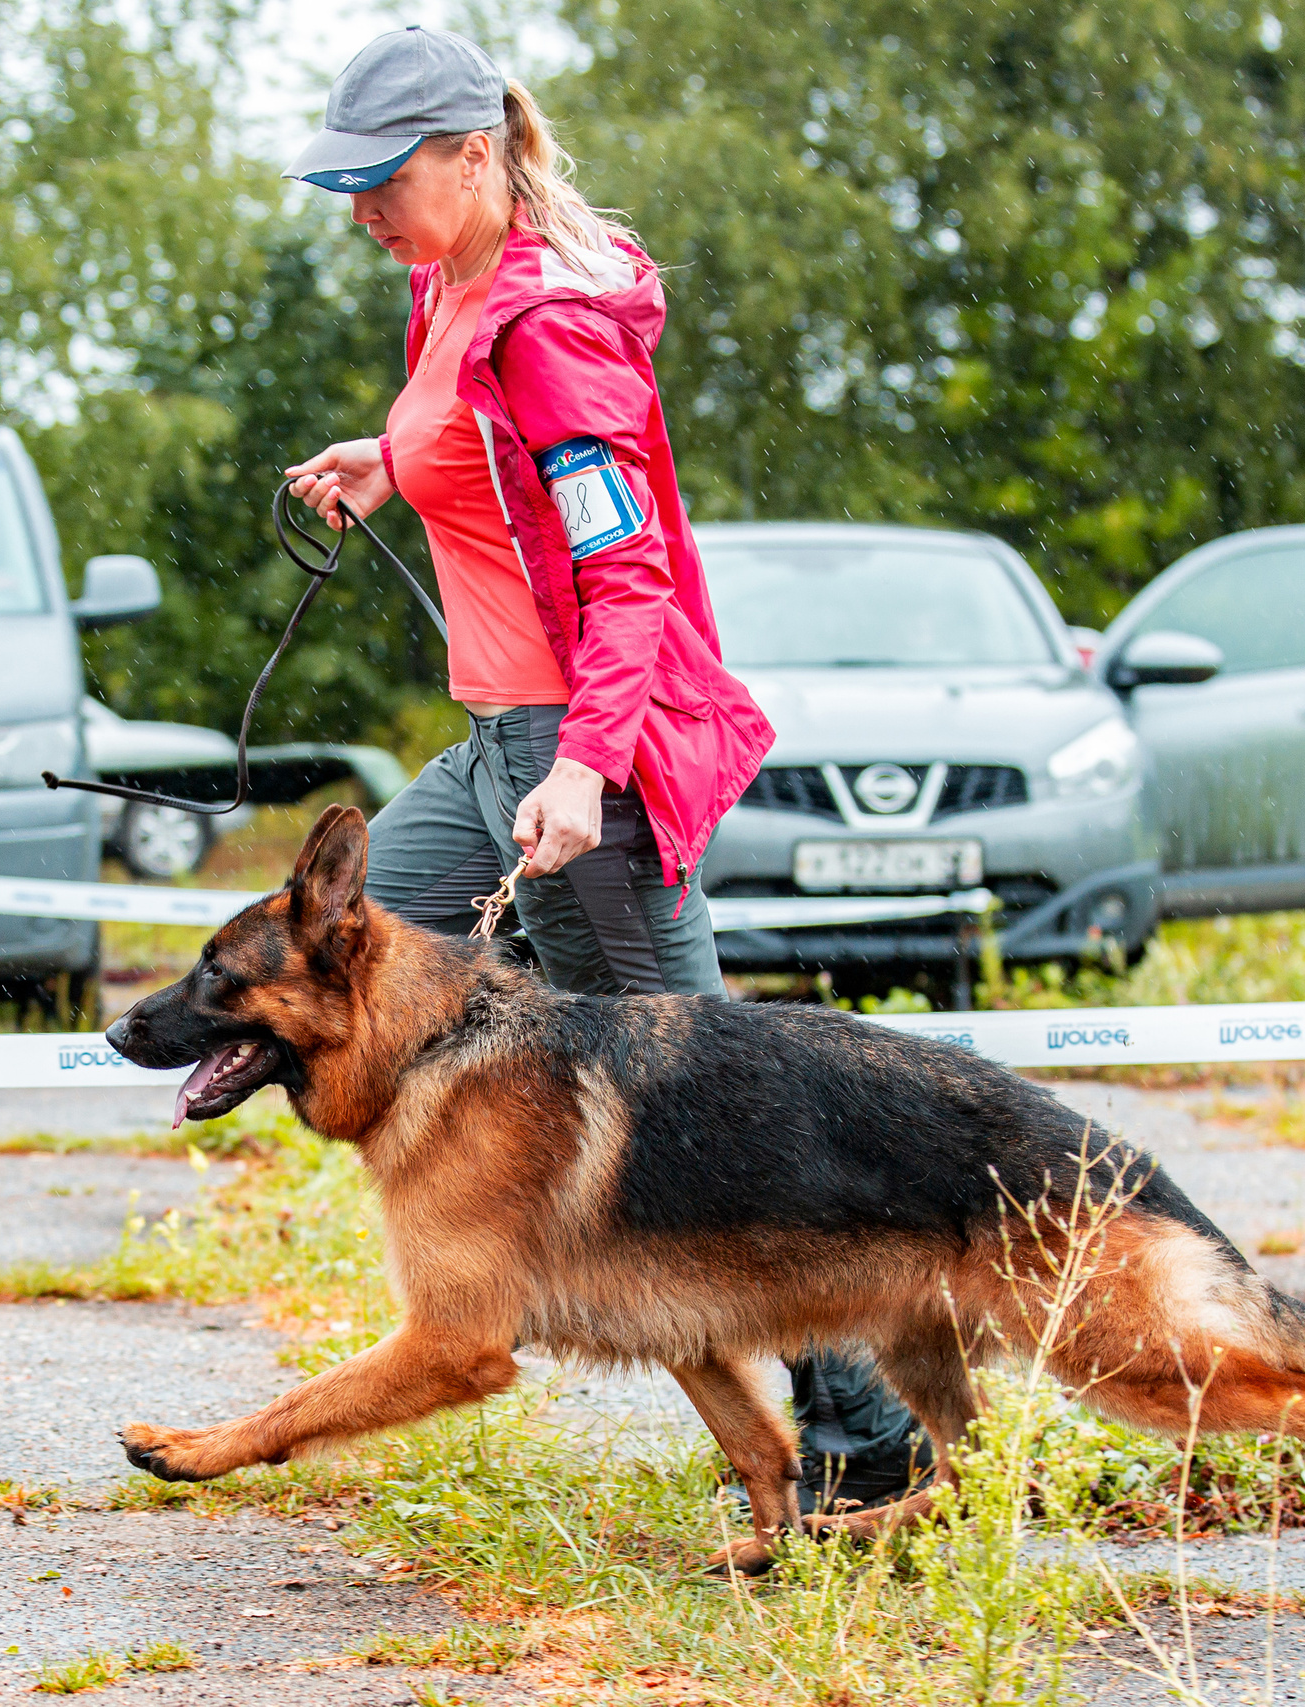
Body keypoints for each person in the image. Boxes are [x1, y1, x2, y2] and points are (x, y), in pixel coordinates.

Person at [277, 27, 928, 1508]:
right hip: (494, 749)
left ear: (472, 153)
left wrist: (582, 771)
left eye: (381, 182)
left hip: (588, 764)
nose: (361, 212)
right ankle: (485, 1251)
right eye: (345, 187)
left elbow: (627, 581)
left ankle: (872, 1437)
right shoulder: (446, 289)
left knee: (727, 1123)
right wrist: (393, 462)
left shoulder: (554, 327)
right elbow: (476, 451)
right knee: (327, 953)